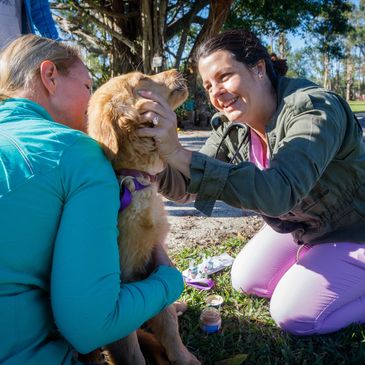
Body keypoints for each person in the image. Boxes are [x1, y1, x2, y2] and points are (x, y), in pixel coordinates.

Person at [136, 29, 365, 336]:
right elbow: (185, 185)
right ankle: (323, 260)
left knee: (295, 316)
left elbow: (279, 193)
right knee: (247, 280)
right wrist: (148, 157)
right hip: (306, 226)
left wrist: (178, 151)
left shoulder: (314, 110)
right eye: (208, 85)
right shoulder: (233, 127)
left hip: (354, 228)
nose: (217, 92)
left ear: (258, 68)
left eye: (225, 76)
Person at [0, 34, 183, 365]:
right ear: (49, 76)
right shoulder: (76, 151)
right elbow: (93, 327)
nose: (91, 100)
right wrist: (170, 281)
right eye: (87, 86)